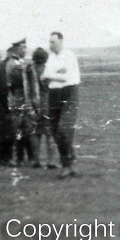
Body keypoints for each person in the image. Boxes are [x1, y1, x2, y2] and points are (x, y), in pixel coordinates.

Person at [42, 31, 82, 179]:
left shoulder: (69, 56)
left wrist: (51, 76)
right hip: (53, 95)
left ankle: (67, 165)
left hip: (69, 93)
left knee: (64, 130)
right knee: (55, 131)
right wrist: (53, 75)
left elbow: (67, 77)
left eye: (53, 42)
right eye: (49, 42)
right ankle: (69, 162)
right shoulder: (51, 58)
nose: (50, 45)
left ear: (61, 41)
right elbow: (45, 77)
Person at [5, 39, 39, 166]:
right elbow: (13, 83)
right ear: (17, 48)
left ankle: (26, 159)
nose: (25, 50)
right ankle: (14, 158)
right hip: (17, 101)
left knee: (26, 130)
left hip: (24, 101)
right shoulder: (12, 63)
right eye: (23, 47)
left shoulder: (20, 62)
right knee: (16, 131)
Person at [32, 47, 58, 169]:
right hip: (47, 103)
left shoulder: (31, 71)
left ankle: (35, 160)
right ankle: (51, 161)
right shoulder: (47, 71)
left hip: (34, 104)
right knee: (50, 133)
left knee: (36, 133)